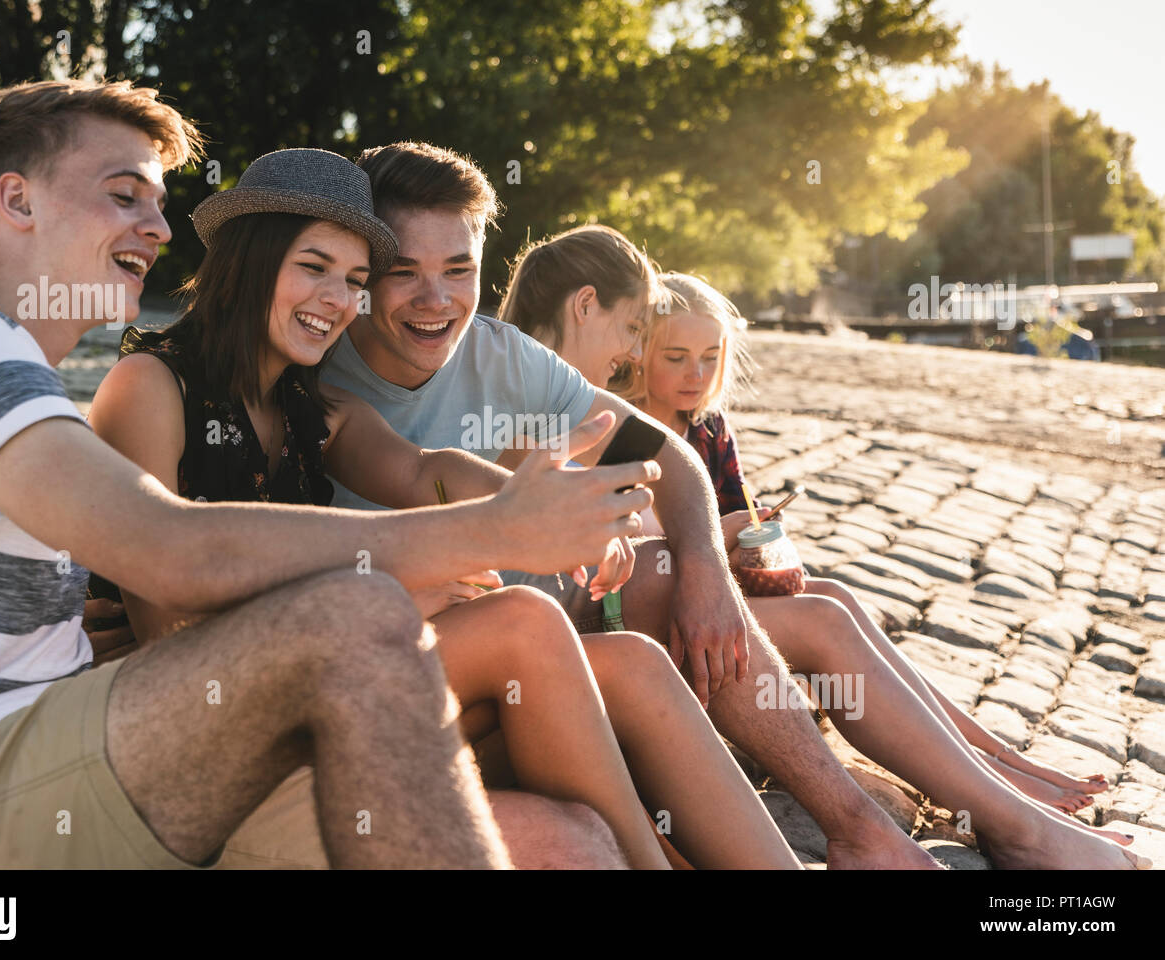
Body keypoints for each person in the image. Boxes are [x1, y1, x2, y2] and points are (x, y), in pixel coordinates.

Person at [0, 79, 643, 871]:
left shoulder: (28, 386)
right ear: (17, 202)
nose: (158, 226)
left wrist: (532, 501)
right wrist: (492, 531)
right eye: (124, 194)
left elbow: (415, 469)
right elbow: (170, 550)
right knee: (359, 615)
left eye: (159, 203)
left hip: (84, 756)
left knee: (563, 843)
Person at [87, 147, 803, 870]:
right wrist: (393, 595)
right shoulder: (150, 387)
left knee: (614, 657)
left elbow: (423, 470)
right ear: (251, 258)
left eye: (355, 280)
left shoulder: (315, 403)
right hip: (204, 723)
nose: (336, 298)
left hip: (315, 686)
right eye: (313, 267)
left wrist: (552, 513)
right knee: (523, 625)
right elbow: (169, 633)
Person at [498, 227, 1147, 869]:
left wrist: (701, 554)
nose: (631, 353)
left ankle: (995, 789)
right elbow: (542, 559)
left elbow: (668, 480)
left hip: (602, 617)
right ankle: (999, 819)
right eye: (633, 328)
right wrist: (685, 553)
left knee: (825, 603)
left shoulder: (572, 399)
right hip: (575, 637)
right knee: (820, 618)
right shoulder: (526, 400)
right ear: (584, 307)